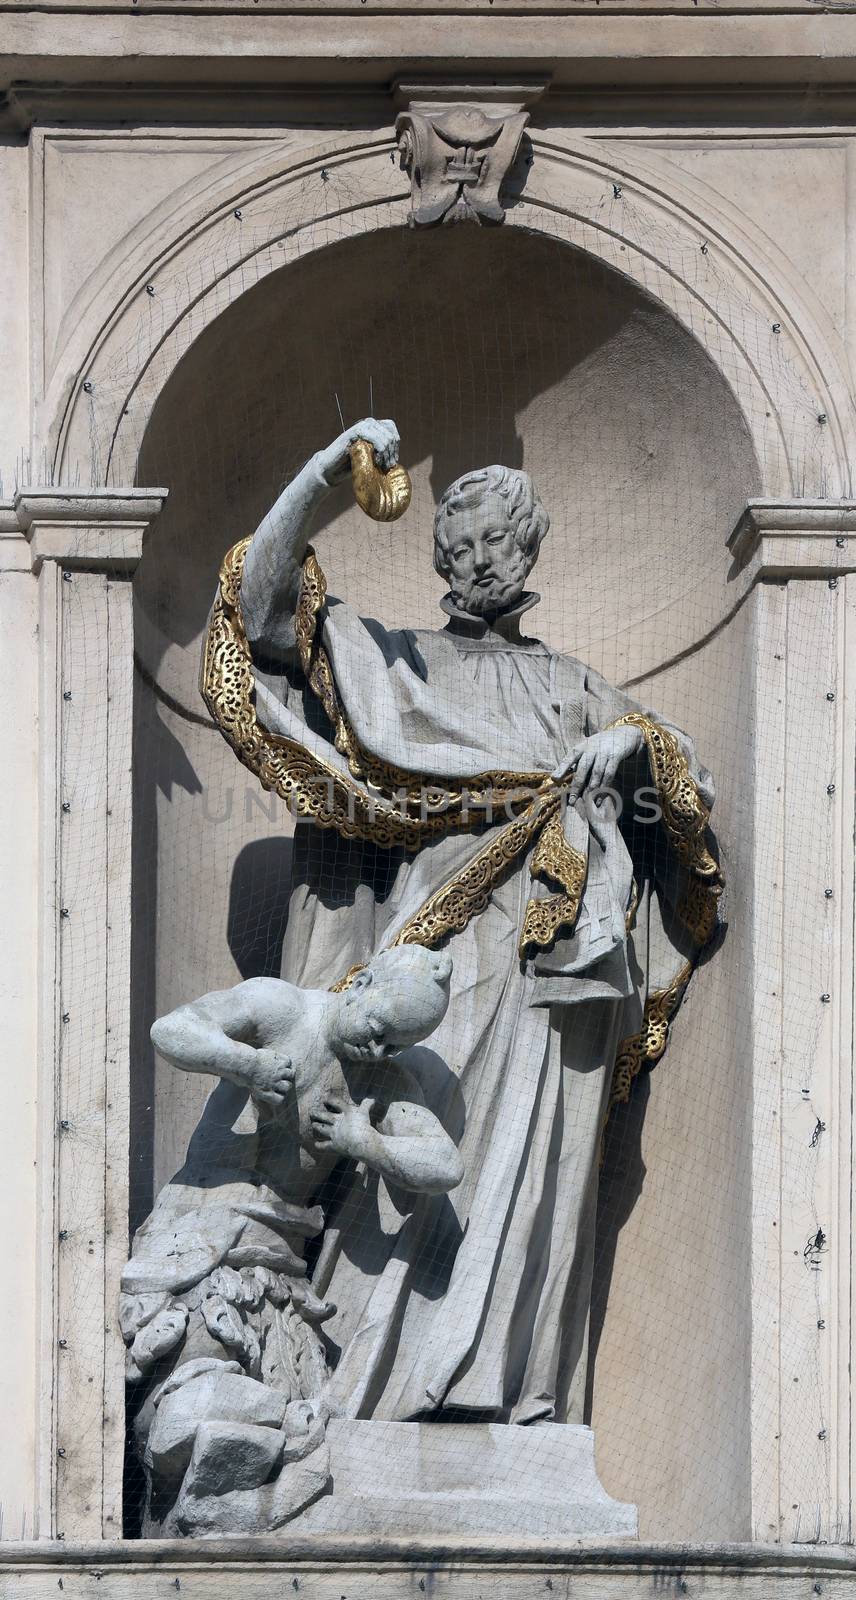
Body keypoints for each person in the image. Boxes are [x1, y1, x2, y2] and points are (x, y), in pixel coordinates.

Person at [202, 416, 719, 1425]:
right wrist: (319, 478)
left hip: (567, 958)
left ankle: (515, 1388)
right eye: (464, 542)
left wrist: (625, 745)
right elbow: (260, 616)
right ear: (439, 554)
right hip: (440, 944)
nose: (483, 560)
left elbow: (687, 778)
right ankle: (365, 1386)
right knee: (410, 1134)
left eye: (501, 541)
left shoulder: (576, 686)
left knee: (541, 1166)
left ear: (529, 553)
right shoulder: (400, 666)